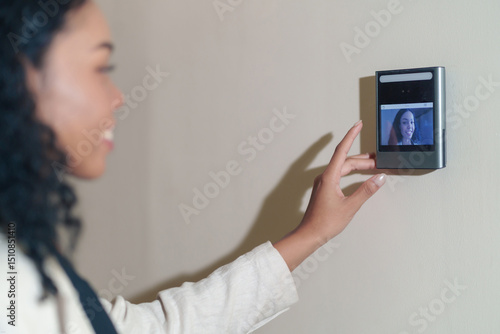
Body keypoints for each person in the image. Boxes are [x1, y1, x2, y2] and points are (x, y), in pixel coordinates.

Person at [0, 1, 386, 333]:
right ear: (18, 76)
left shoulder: (20, 253)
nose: (118, 97)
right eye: (100, 67)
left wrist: (312, 234)